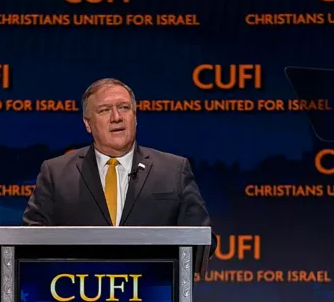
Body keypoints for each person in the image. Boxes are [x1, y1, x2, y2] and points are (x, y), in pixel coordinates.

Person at [22, 77, 216, 257]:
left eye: (124, 108)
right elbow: (32, 240)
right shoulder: (56, 173)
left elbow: (204, 242)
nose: (116, 117)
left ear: (135, 116)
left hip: (152, 290)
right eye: (104, 110)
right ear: (87, 123)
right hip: (76, 289)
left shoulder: (173, 170)